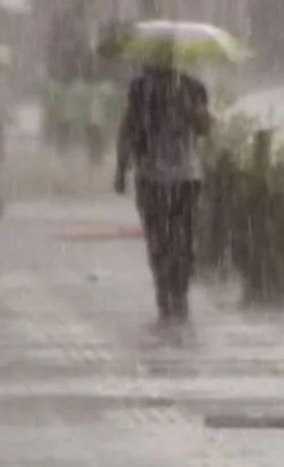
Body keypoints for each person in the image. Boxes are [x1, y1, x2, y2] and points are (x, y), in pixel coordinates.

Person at [114, 59, 211, 324]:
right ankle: (166, 292)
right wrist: (121, 168)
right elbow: (129, 128)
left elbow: (205, 129)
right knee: (160, 240)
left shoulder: (193, 87)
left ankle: (177, 293)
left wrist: (195, 112)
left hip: (184, 177)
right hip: (153, 177)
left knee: (181, 239)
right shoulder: (140, 89)